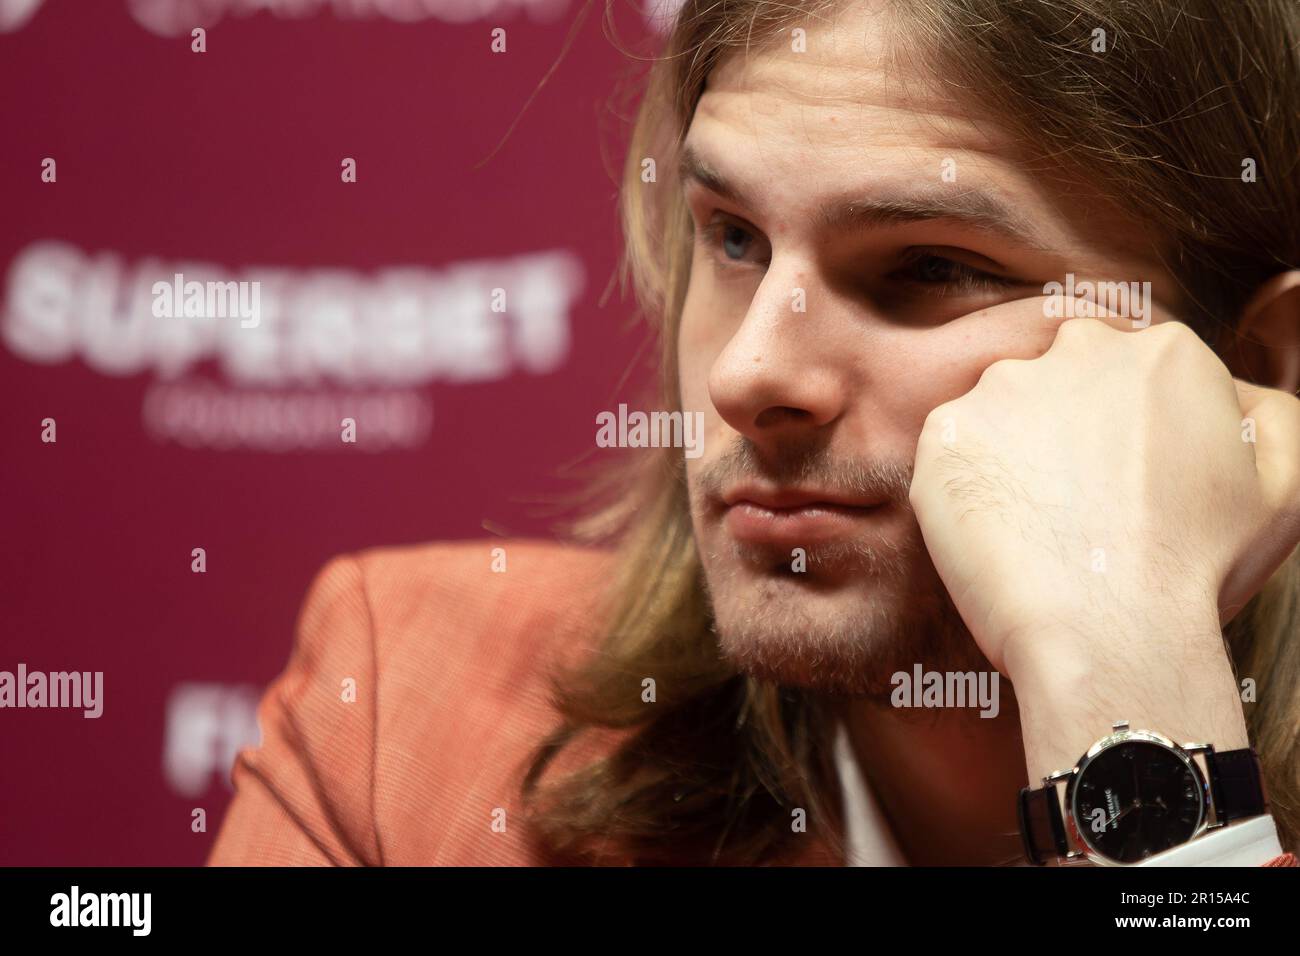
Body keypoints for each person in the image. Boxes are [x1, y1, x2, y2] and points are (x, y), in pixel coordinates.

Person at [208, 0, 1300, 867]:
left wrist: (1135, 692)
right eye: (733, 238)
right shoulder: (405, 721)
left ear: (1256, 365)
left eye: (930, 266)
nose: (748, 374)